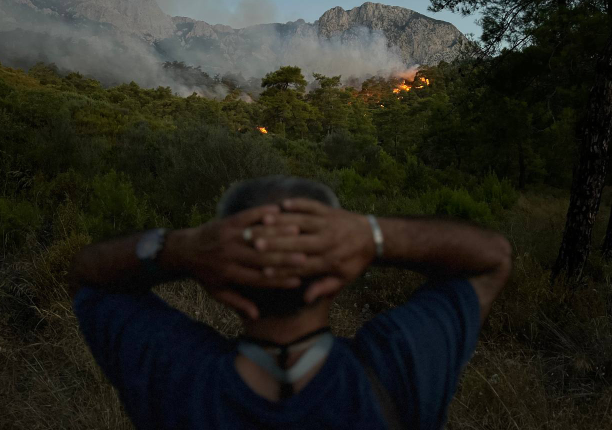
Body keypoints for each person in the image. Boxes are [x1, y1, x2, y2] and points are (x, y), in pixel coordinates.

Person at [71, 176, 512, 429]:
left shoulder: (175, 377)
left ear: (225, 285)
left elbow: (89, 275)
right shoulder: (399, 369)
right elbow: (491, 258)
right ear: (334, 282)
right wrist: (372, 236)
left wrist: (182, 249)